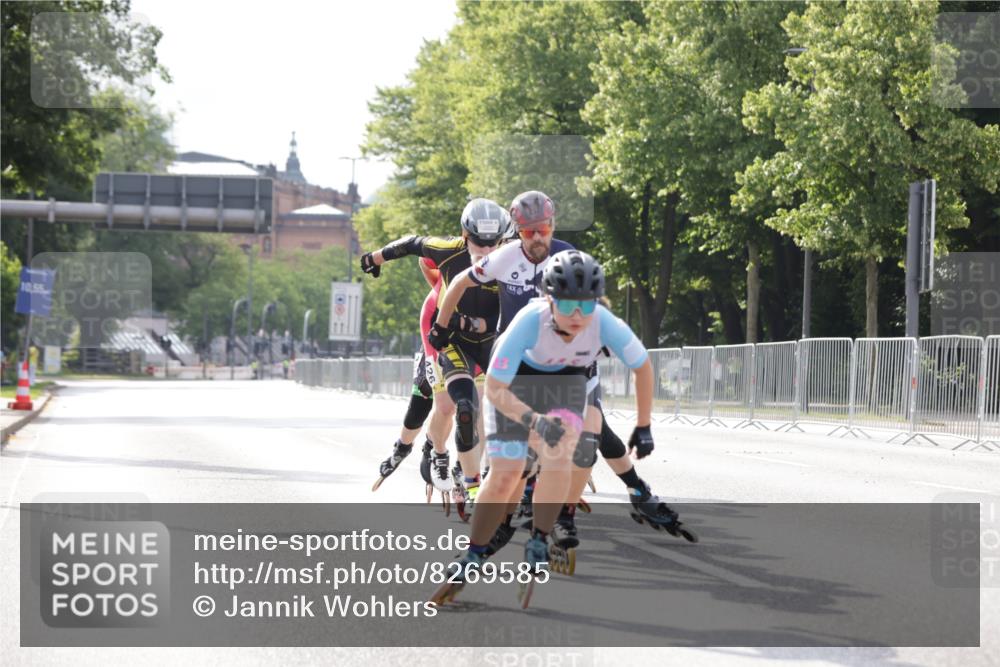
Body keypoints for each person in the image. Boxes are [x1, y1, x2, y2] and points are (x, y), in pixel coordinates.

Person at [432, 251, 681, 608]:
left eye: (586, 304)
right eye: (566, 303)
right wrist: (533, 421)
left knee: (560, 455)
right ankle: (474, 553)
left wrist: (644, 425)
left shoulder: (603, 322)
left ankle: (538, 538)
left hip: (566, 383)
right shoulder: (527, 322)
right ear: (549, 299)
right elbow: (497, 390)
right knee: (505, 473)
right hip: (514, 384)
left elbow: (642, 367)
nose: (577, 315)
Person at [433, 191, 669, 553]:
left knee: (592, 434)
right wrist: (441, 325)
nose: (537, 237)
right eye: (528, 232)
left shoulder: (566, 255)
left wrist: (597, 333)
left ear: (552, 225)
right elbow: (459, 283)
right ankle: (506, 517)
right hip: (517, 355)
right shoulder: (502, 257)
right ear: (517, 232)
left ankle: (579, 510)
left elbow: (593, 297)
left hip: (564, 358)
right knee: (516, 456)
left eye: (543, 229)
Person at [361, 199, 510, 511]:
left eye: (492, 244)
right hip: (443, 332)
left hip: (487, 342)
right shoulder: (448, 249)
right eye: (476, 244)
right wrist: (374, 258)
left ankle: (469, 475)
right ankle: (435, 450)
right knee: (442, 402)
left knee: (481, 409)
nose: (484, 251)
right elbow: (413, 244)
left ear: (504, 240)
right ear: (463, 235)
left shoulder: (513, 259)